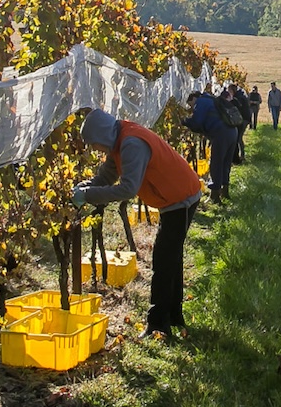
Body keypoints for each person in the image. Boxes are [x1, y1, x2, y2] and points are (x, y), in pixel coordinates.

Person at [74, 107, 201, 339]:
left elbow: (127, 189)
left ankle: (158, 325)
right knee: (170, 257)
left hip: (181, 198)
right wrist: (87, 188)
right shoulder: (119, 140)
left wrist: (89, 196)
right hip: (172, 198)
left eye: (93, 144)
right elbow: (107, 176)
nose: (94, 149)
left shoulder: (131, 144)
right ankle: (173, 316)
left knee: (163, 260)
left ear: (102, 136)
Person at [185, 88, 237, 204]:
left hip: (221, 134)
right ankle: (225, 191)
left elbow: (196, 122)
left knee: (216, 163)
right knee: (225, 162)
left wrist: (184, 122)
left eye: (191, 104)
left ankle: (215, 195)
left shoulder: (201, 102)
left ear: (193, 98)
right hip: (232, 132)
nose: (192, 108)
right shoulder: (211, 99)